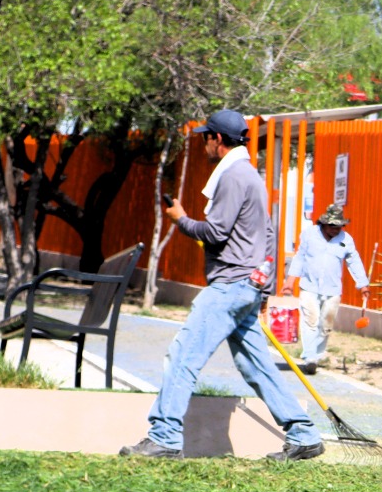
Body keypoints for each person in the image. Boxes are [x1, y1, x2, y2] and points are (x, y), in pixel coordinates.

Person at [119, 109, 325, 462]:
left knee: (183, 356)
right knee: (255, 366)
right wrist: (263, 285)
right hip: (246, 285)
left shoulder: (232, 176)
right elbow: (269, 234)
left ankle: (164, 438)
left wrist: (180, 219)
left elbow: (215, 232)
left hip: (230, 285)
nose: (203, 144)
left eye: (205, 138)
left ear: (217, 139)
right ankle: (304, 434)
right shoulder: (251, 176)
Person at [280, 203, 369, 373]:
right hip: (309, 286)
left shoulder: (346, 240)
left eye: (339, 226)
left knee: (326, 325)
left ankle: (317, 354)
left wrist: (363, 284)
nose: (336, 229)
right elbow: (299, 258)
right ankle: (310, 357)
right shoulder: (309, 235)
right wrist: (290, 282)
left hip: (333, 289)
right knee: (310, 320)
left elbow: (354, 262)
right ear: (324, 223)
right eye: (333, 226)